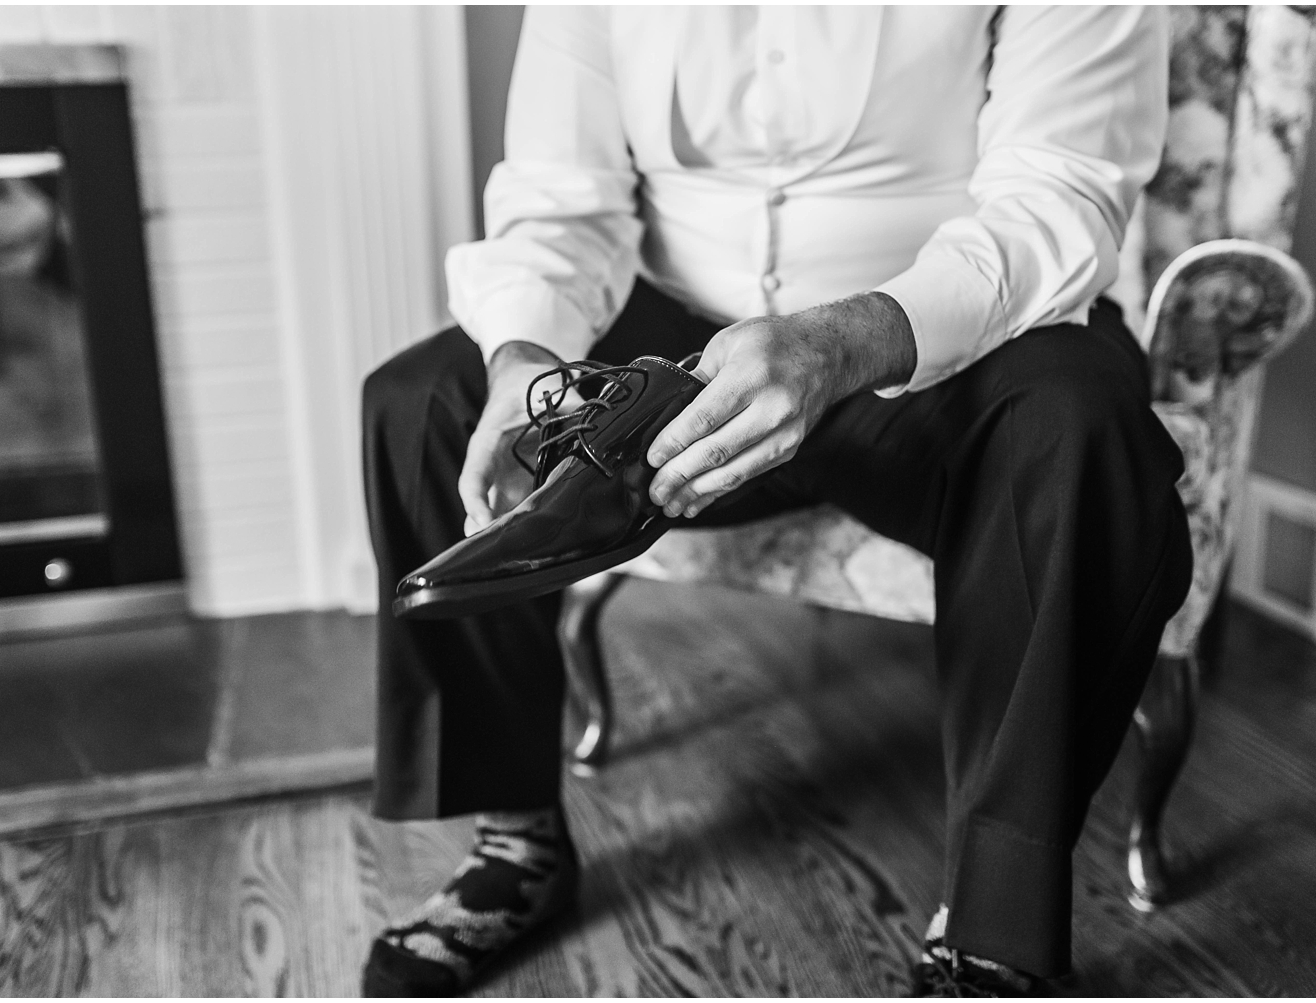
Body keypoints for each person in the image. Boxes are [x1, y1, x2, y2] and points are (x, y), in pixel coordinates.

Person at [360, 6, 1191, 997]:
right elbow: (561, 200)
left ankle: (992, 930)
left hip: (941, 325)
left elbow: (1058, 196)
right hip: (672, 335)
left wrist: (848, 339)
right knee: (423, 405)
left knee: (1086, 433)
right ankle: (515, 838)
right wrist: (525, 354)